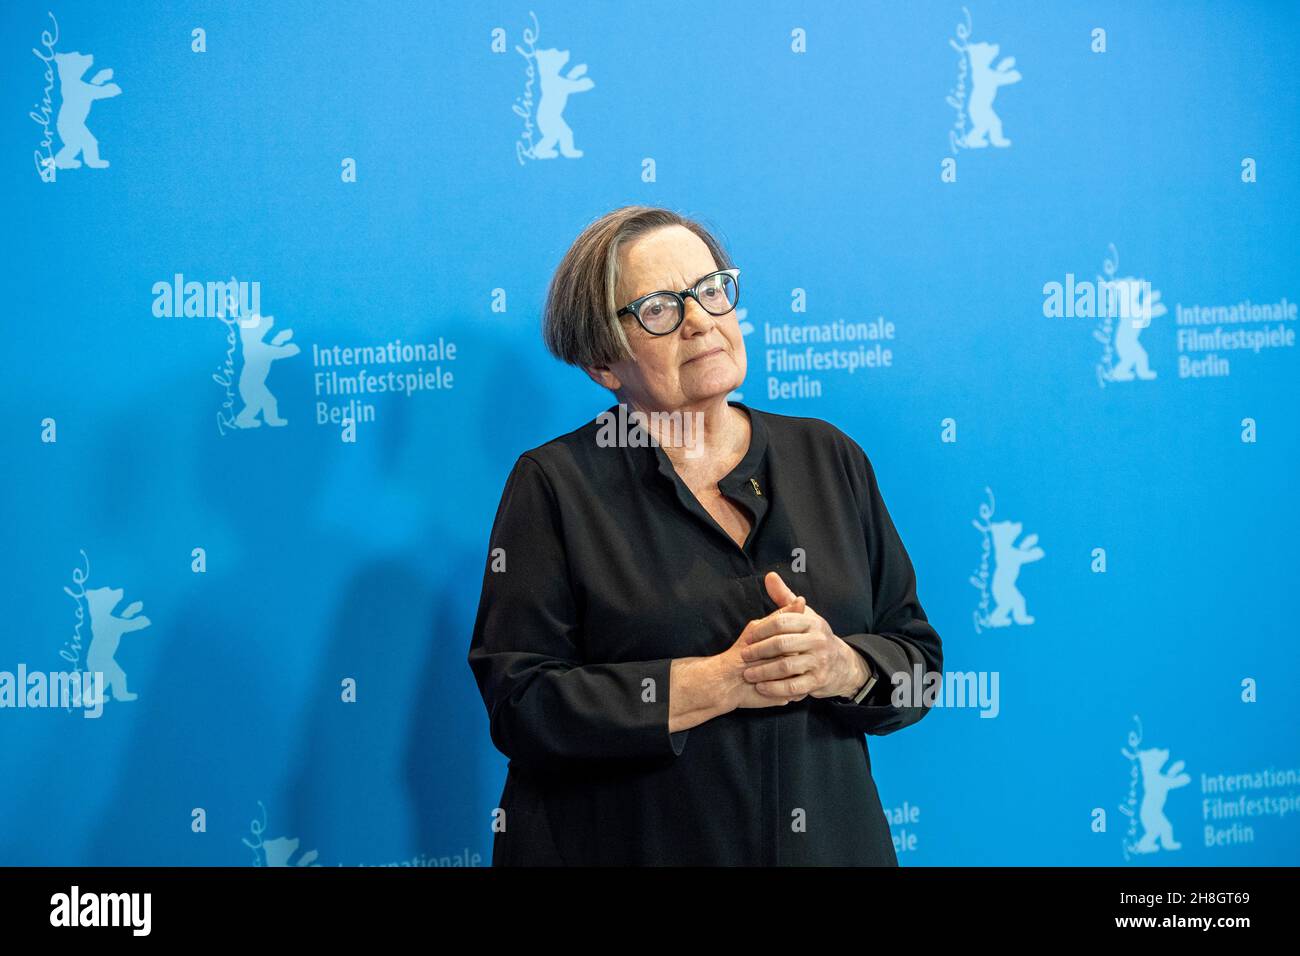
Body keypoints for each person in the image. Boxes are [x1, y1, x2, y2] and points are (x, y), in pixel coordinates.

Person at [467, 205, 943, 865]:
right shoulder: (555, 484)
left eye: (711, 290)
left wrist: (840, 666)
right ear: (606, 362)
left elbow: (919, 669)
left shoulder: (830, 458)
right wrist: (719, 682)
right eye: (660, 308)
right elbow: (522, 706)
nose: (700, 320)